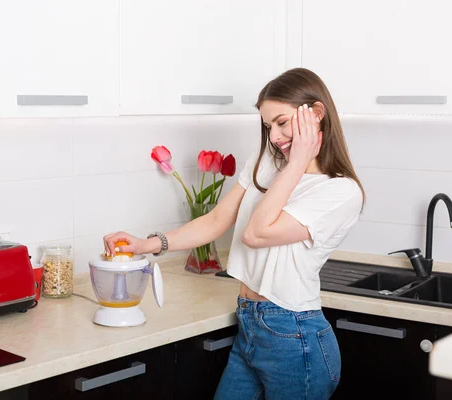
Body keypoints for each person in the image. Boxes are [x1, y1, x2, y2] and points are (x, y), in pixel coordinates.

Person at [103, 68, 365, 400]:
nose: (274, 137)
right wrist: (147, 244)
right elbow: (216, 221)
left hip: (295, 337)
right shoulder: (269, 162)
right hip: (250, 324)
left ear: (315, 114)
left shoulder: (340, 191)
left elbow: (256, 232)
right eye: (269, 127)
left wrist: (299, 161)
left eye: (282, 123)